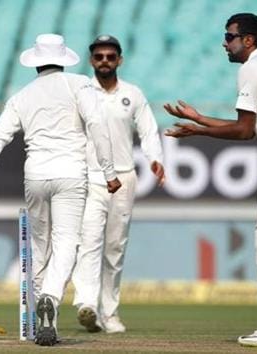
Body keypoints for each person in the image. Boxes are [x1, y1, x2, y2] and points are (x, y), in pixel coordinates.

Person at [0, 33, 121, 346]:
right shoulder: (79, 85)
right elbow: (97, 126)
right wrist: (109, 171)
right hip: (71, 174)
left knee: (40, 246)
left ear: (35, 62)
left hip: (35, 174)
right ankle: (50, 298)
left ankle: (42, 309)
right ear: (63, 59)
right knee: (67, 242)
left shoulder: (21, 96)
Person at [165, 13, 257, 348]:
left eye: (229, 36)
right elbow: (250, 123)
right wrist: (199, 118)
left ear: (248, 40)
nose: (224, 43)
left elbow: (245, 131)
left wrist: (197, 131)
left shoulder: (252, 68)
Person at [71, 35, 164, 334]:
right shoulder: (81, 92)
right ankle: (87, 303)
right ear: (91, 61)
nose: (105, 62)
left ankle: (110, 313)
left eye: (111, 56)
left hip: (123, 178)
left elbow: (148, 130)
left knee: (115, 247)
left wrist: (155, 158)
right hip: (91, 177)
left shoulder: (132, 94)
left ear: (119, 60)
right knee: (89, 242)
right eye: (99, 56)